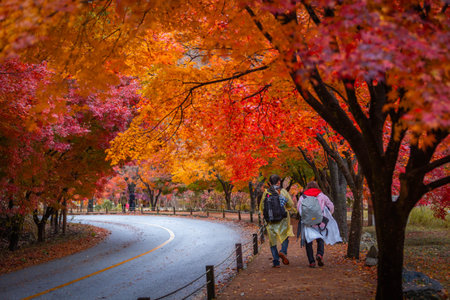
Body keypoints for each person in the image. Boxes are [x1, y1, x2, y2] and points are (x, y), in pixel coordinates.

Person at [259, 174, 297, 268]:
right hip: (283, 219)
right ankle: (283, 251)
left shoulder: (266, 192)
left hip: (271, 221)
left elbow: (262, 207)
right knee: (285, 237)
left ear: (270, 182)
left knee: (272, 241)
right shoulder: (283, 191)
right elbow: (291, 203)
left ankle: (276, 262)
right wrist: (286, 207)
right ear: (279, 182)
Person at [297, 181, 335, 268]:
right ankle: (319, 254)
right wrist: (328, 214)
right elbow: (331, 206)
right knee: (320, 239)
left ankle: (311, 261)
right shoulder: (322, 196)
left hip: (308, 223)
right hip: (320, 221)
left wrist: (304, 217)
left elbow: (299, 208)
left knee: (308, 242)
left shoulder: (303, 197)